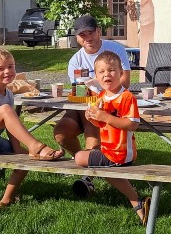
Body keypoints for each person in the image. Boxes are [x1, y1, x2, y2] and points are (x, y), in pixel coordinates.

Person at [0, 48, 63, 209]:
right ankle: (36, 146)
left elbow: (11, 125)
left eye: (11, 66)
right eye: (0, 68)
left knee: (25, 156)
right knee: (6, 111)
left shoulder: (8, 95)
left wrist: (17, 149)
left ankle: (7, 199)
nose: (7, 71)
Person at [53, 14, 132, 196]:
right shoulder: (75, 60)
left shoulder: (115, 49)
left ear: (98, 31)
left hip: (111, 105)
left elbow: (125, 82)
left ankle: (88, 177)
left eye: (91, 33)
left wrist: (98, 88)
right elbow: (79, 92)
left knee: (92, 121)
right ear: (77, 38)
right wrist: (92, 91)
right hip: (84, 105)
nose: (88, 38)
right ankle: (87, 158)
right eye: (83, 35)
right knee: (61, 133)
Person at [73, 51, 151, 225]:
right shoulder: (101, 96)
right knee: (99, 165)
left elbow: (132, 124)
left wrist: (105, 117)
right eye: (101, 72)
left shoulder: (126, 97)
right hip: (108, 150)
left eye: (111, 70)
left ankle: (135, 201)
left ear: (121, 73)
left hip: (121, 153)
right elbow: (103, 125)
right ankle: (137, 204)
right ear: (96, 77)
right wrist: (92, 117)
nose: (106, 74)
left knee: (79, 157)